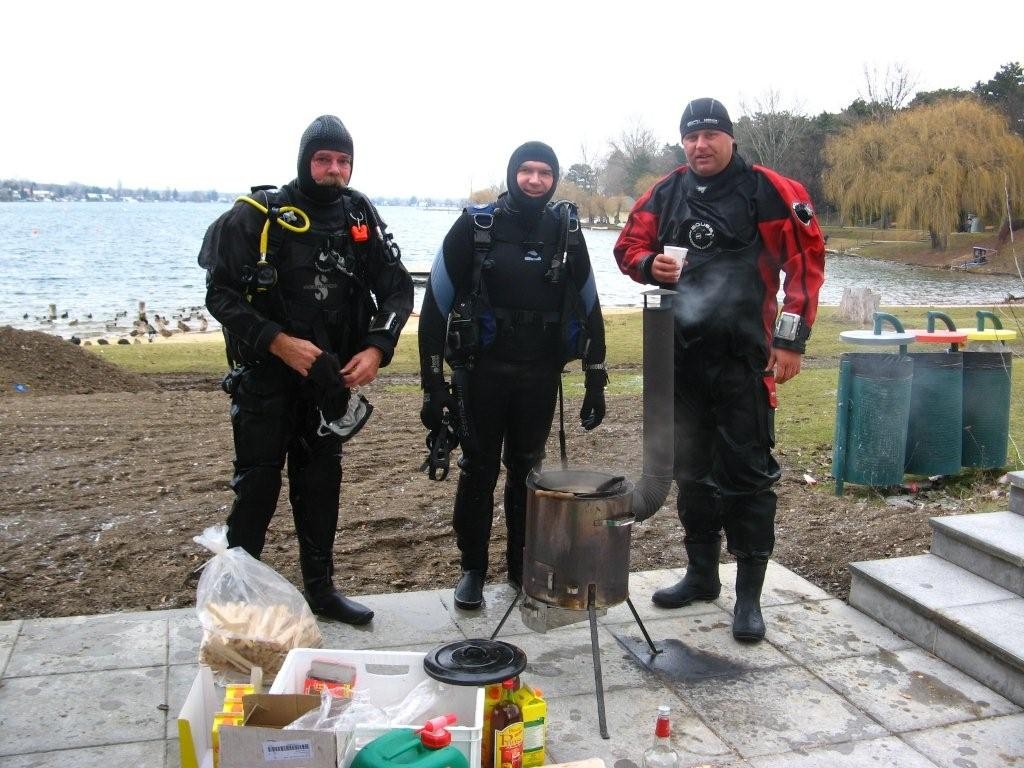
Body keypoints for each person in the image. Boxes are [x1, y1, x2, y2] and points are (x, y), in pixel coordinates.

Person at [613, 98, 825, 642]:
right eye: (691, 136)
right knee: (691, 470)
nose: (700, 145)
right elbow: (628, 245)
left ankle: (748, 597)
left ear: (730, 138)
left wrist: (791, 342)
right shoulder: (666, 192)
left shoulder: (769, 190)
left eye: (710, 134)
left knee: (747, 476)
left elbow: (805, 264)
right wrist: (648, 265)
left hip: (744, 358)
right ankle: (702, 575)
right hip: (682, 359)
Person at [200, 115, 414, 626]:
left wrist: (378, 347)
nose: (334, 170)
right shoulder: (260, 215)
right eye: (323, 160)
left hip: (327, 384)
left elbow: (397, 288)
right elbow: (219, 295)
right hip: (266, 380)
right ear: (304, 161)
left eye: (343, 161)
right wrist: (277, 341)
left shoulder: (359, 215)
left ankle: (321, 591)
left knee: (320, 488)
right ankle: (235, 600)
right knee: (256, 490)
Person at [419, 141, 608, 610]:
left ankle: (521, 568)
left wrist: (595, 379)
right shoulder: (475, 226)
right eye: (526, 170)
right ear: (512, 174)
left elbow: (590, 305)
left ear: (554, 179)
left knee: (527, 471)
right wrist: (433, 385)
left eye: (545, 172)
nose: (535, 180)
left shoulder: (566, 231)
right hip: (480, 374)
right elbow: (434, 308)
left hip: (539, 375)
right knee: (479, 469)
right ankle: (472, 569)